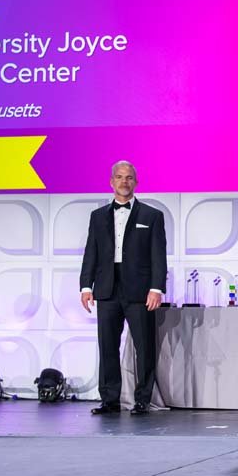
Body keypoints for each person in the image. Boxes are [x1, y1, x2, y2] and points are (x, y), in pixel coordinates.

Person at [80, 161, 167, 416]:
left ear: (136, 182)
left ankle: (142, 399)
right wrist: (85, 286)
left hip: (139, 290)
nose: (124, 182)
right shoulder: (97, 216)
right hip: (106, 288)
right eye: (119, 177)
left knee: (144, 347)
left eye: (129, 177)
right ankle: (109, 400)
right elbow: (91, 252)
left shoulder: (152, 215)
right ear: (111, 182)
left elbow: (158, 255)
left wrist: (156, 288)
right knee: (107, 346)